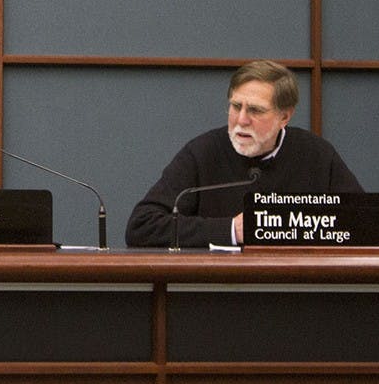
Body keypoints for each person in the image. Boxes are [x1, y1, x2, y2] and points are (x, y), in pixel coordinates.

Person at [125, 60, 363, 248]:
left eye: (256, 110)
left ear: (284, 117)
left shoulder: (316, 154)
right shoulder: (203, 152)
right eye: (236, 106)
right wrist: (231, 230)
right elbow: (141, 226)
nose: (241, 120)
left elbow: (364, 223)